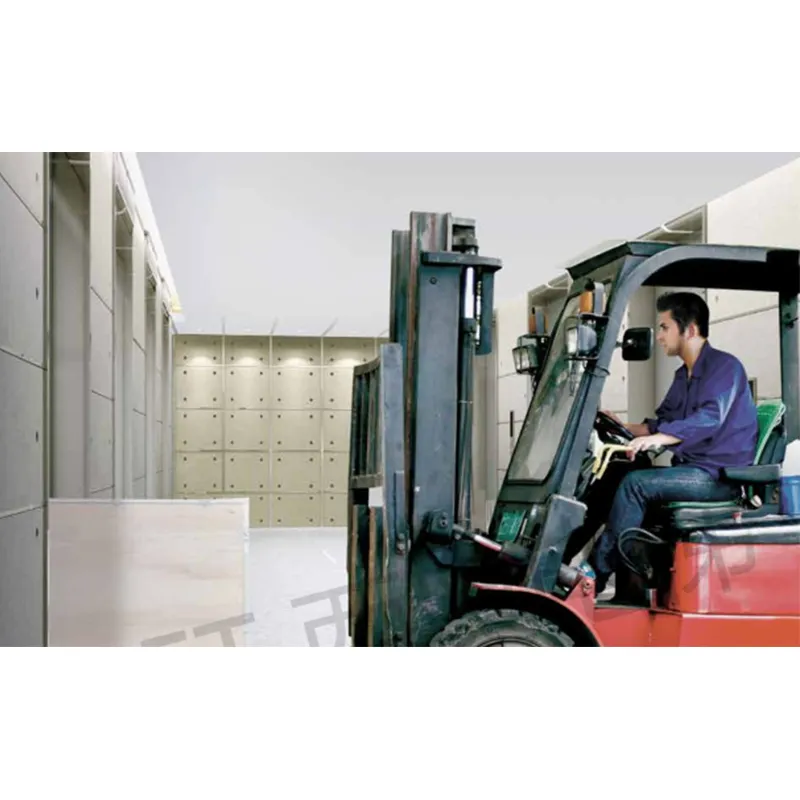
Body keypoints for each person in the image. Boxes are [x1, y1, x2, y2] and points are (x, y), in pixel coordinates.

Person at [588, 291, 759, 594]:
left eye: (665, 327)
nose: (659, 336)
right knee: (619, 473)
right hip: (694, 472)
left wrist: (656, 439)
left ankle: (592, 577)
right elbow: (659, 423)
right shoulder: (683, 376)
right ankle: (613, 581)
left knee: (636, 485)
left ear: (689, 330)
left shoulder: (725, 368)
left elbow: (709, 418)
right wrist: (621, 425)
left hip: (717, 477)